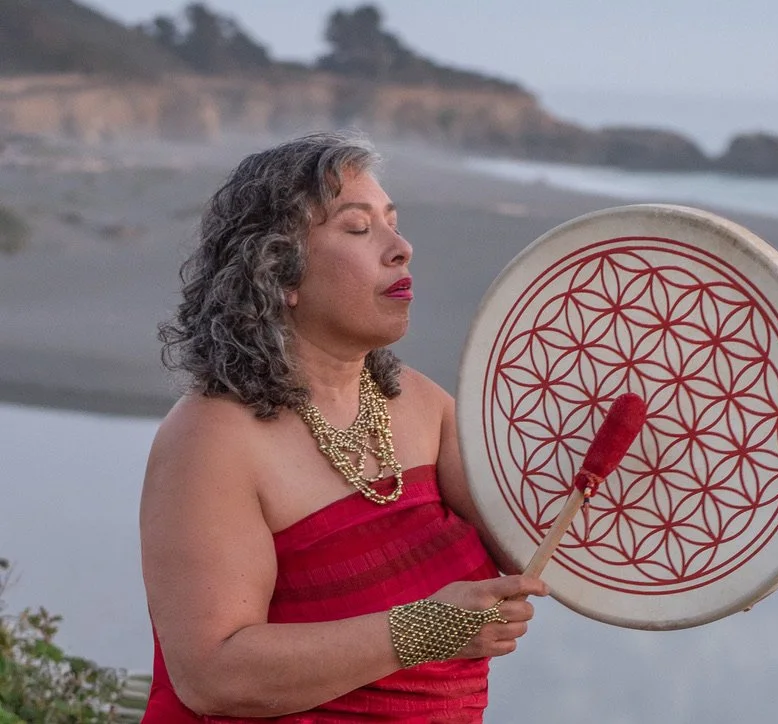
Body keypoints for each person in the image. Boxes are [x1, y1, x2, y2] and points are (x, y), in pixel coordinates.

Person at [140, 130, 548, 722]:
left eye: (393, 223)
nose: (401, 248)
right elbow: (212, 674)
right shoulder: (211, 440)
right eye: (358, 228)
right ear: (280, 274)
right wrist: (424, 630)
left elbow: (540, 537)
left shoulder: (419, 403)